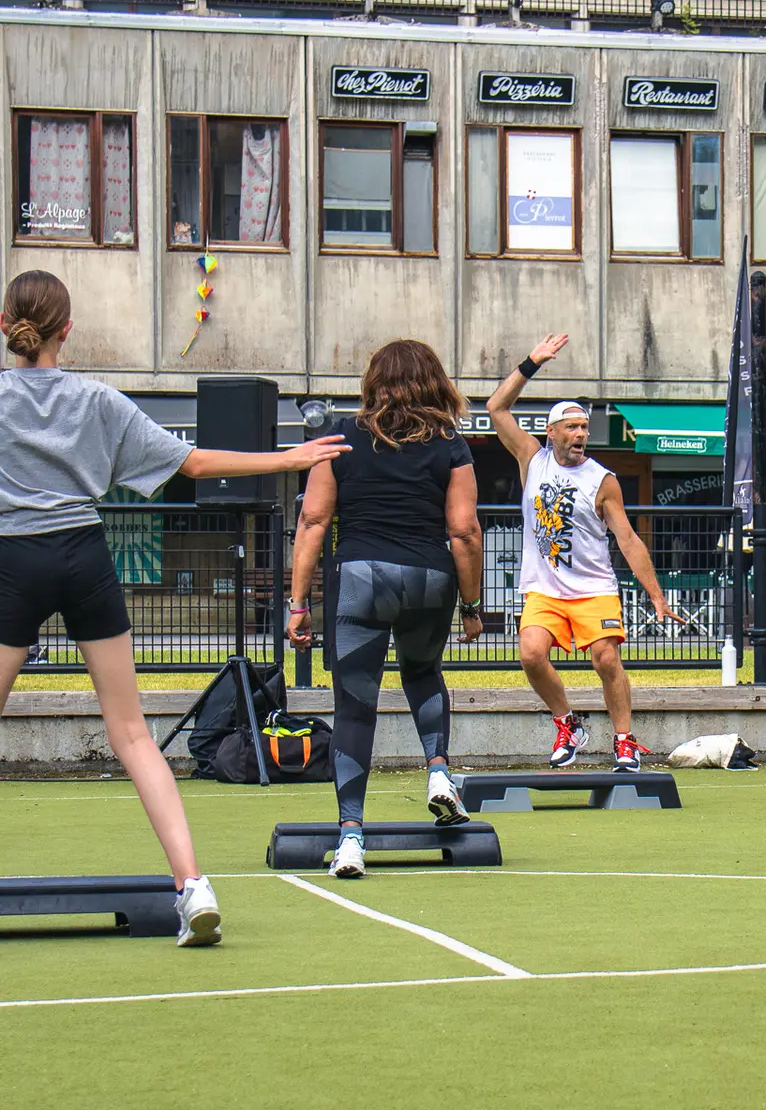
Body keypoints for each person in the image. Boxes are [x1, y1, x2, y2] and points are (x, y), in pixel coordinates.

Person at [0, 269, 349, 945]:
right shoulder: (96, 400)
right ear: (67, 331)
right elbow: (192, 464)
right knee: (132, 735)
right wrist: (288, 459)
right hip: (84, 557)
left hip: (14, 560)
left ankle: (193, 888)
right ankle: (193, 888)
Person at [287, 339, 482, 879]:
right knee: (423, 673)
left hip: (360, 578)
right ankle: (439, 772)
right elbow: (464, 531)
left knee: (354, 706)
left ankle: (351, 837)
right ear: (434, 381)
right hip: (428, 577)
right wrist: (472, 605)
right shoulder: (451, 445)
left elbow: (313, 522)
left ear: (374, 380)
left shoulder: (341, 440)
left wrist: (297, 602)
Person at [486, 334, 684, 771]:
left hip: (593, 587)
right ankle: (568, 724)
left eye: (584, 428)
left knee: (606, 658)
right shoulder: (532, 460)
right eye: (571, 427)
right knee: (531, 653)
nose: (580, 434)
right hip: (545, 589)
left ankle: (624, 740)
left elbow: (629, 539)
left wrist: (656, 595)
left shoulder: (602, 479)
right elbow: (496, 408)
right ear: (551, 432)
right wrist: (531, 362)